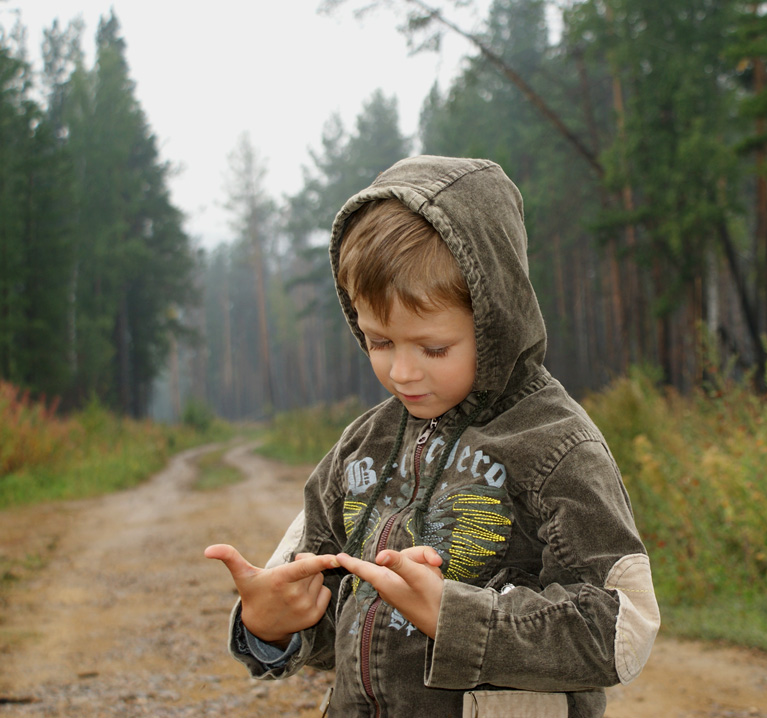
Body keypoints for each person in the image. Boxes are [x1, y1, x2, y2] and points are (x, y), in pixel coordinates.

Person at [204, 156, 659, 717]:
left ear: (496, 318)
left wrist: (458, 618)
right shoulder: (359, 447)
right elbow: (330, 622)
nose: (402, 372)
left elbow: (623, 629)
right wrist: (269, 627)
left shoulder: (557, 446)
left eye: (433, 348)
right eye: (379, 342)